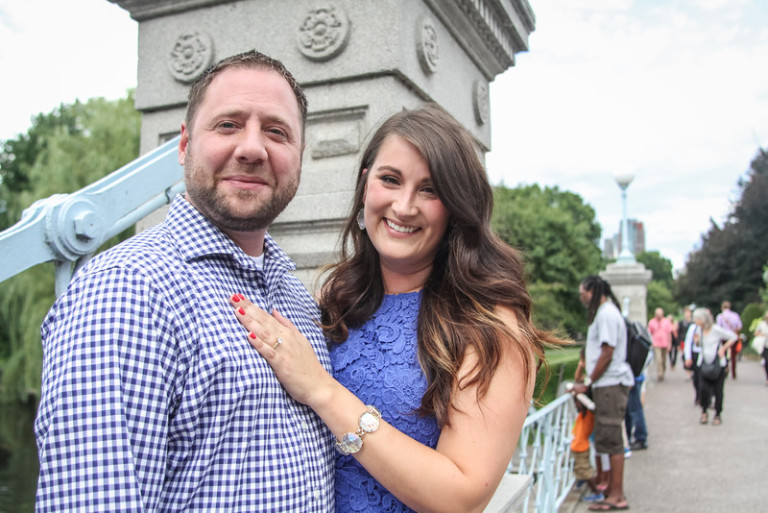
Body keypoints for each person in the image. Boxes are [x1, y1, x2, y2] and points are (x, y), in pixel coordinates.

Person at [34, 51, 335, 511]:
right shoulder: (125, 290)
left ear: (298, 156)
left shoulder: (296, 298)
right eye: (228, 125)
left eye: (277, 131)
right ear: (184, 145)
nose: (253, 148)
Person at [229, 104, 567, 512]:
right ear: (365, 184)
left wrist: (322, 391)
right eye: (391, 180)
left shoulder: (488, 325)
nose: (404, 207)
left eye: (430, 190)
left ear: (456, 209)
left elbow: (460, 498)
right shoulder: (336, 300)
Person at [572, 276, 634, 512]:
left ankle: (616, 496)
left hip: (609, 385)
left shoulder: (606, 314)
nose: (581, 298)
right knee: (607, 439)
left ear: (594, 291)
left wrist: (587, 383)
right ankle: (610, 491)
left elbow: (607, 353)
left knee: (612, 440)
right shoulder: (607, 312)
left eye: (583, 293)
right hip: (607, 385)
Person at [687, 308, 738, 425]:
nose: (695, 321)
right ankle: (704, 412)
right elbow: (700, 345)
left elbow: (733, 337)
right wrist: (697, 341)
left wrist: (724, 349)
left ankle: (717, 414)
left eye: (697, 319)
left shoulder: (715, 329)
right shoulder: (699, 330)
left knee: (718, 390)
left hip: (717, 364)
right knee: (703, 390)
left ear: (702, 319)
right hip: (704, 363)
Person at [571, 348, 603, 503]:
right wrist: (580, 365)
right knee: (582, 468)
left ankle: (597, 492)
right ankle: (586, 482)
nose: (575, 404)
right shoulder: (585, 412)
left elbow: (581, 394)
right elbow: (578, 380)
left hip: (581, 446)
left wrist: (576, 393)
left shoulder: (586, 413)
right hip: (581, 445)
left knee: (584, 469)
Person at [716, 301, 742, 379]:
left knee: (723, 352)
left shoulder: (720, 316)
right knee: (733, 355)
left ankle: (725, 368)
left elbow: (718, 328)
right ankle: (733, 372)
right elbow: (739, 326)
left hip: (724, 337)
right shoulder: (735, 315)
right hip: (733, 336)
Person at [681, 307, 702, 404]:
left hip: (705, 355)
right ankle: (698, 394)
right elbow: (688, 342)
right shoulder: (693, 328)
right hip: (695, 354)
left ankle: (705, 397)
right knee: (696, 377)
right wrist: (687, 357)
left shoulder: (709, 329)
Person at [647, 307, 673, 381]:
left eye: (660, 314)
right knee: (658, 359)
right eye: (658, 314)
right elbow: (649, 333)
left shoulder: (666, 322)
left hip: (665, 343)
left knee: (664, 360)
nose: (659, 316)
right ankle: (660, 373)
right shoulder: (651, 322)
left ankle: (663, 370)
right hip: (656, 343)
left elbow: (669, 333)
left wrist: (669, 343)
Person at [751, 310, 768, 385]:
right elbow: (756, 332)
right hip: (764, 345)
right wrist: (763, 335)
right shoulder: (762, 324)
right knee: (767, 362)